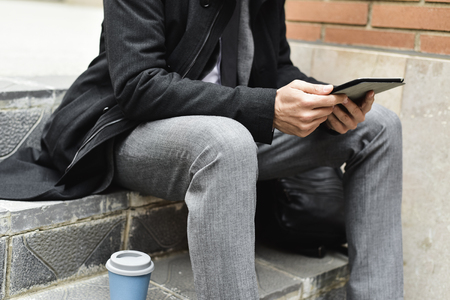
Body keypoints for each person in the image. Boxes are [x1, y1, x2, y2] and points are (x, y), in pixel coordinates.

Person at [0, 0, 403, 299]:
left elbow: (276, 66)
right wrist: (266, 107)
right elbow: (139, 86)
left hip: (232, 129)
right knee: (226, 143)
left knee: (381, 125)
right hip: (130, 129)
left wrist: (324, 100)